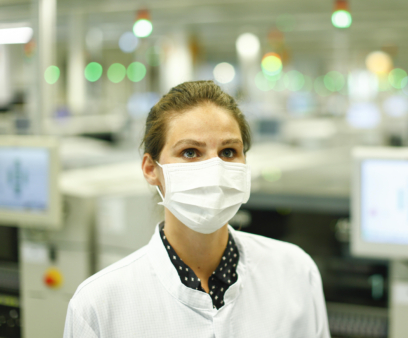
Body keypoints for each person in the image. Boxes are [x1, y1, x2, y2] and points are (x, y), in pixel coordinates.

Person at [63, 81, 330, 338]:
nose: (215, 169)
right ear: (150, 169)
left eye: (228, 152)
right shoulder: (99, 304)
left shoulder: (295, 272)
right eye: (190, 152)